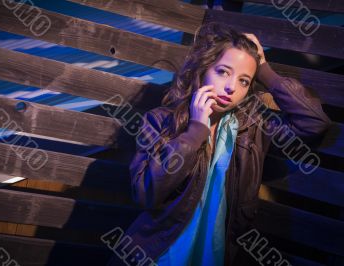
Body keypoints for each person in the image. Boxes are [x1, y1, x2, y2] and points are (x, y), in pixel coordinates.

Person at [106, 22, 331, 266]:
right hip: (157, 255)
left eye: (244, 81)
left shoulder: (251, 130)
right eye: (223, 71)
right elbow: (145, 194)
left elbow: (314, 122)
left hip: (216, 255)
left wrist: (265, 70)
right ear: (203, 70)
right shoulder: (160, 121)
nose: (231, 87)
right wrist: (194, 133)